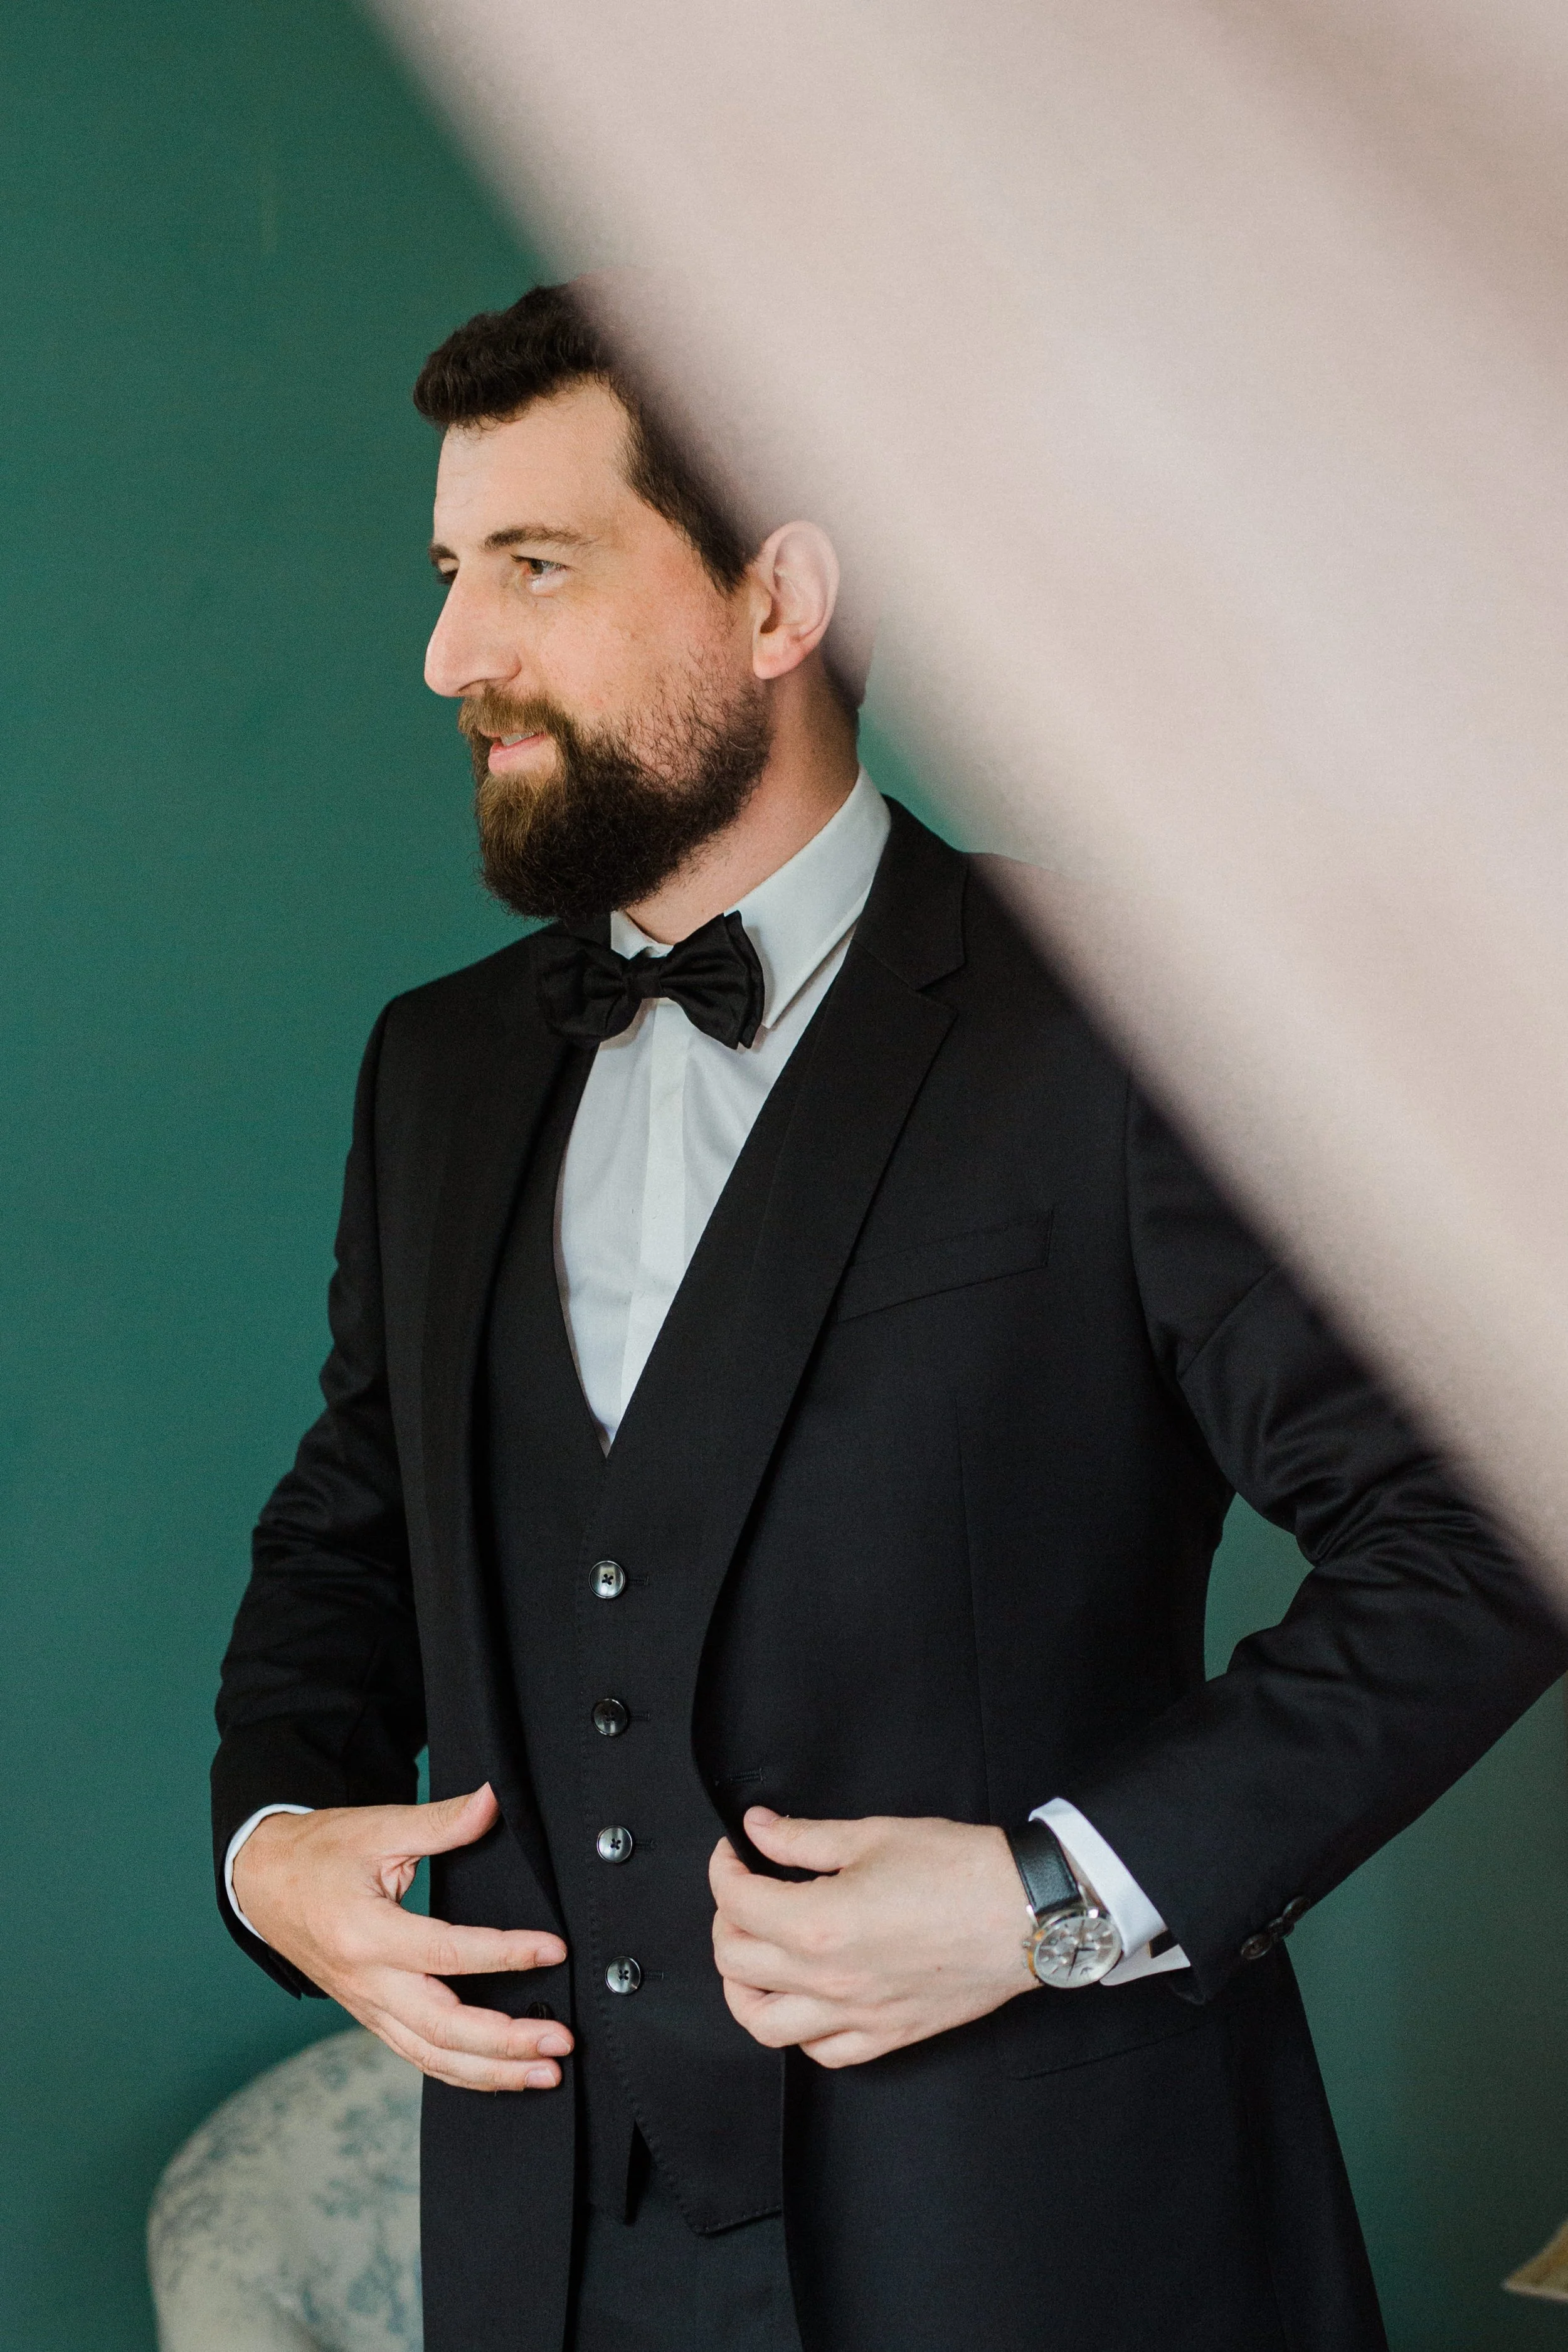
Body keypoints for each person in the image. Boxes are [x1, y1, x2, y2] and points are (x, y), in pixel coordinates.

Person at [213, 279, 1567, 2352]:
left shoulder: (1128, 1013)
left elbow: (1482, 1530)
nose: (451, 653)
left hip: (1047, 2249)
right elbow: (352, 1525)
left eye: (535, 566)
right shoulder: (439, 1069)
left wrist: (1052, 1894)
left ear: (779, 598)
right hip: (550, 2260)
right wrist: (275, 1840)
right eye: (448, 572)